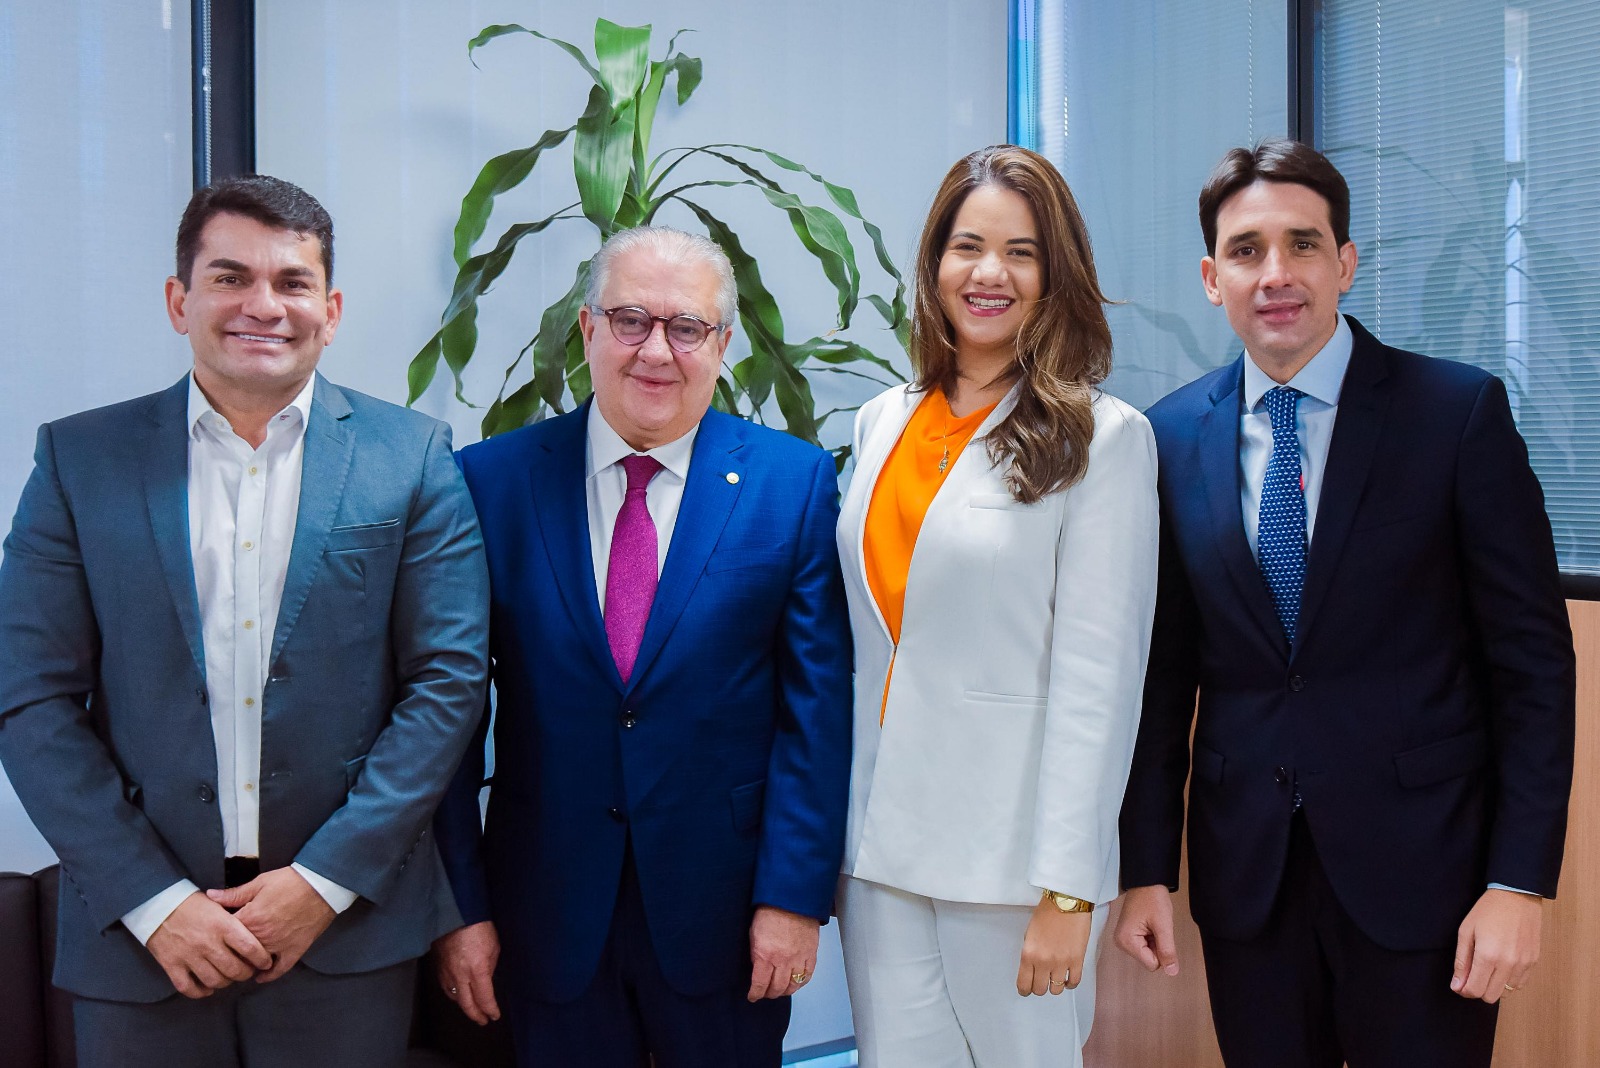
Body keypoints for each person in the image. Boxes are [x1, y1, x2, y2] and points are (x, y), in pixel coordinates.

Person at [0, 175, 490, 1067]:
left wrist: (325, 881)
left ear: (331, 310)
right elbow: (29, 698)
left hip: (341, 935)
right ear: (179, 300)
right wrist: (153, 900)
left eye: (293, 282)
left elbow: (447, 685)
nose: (263, 306)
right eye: (230, 277)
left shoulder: (411, 457)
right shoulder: (79, 460)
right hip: (139, 939)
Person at [1115, 138, 1576, 1068]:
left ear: (1345, 263)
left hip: (1430, 881)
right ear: (1213, 277)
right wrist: (1147, 869)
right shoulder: (1166, 439)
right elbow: (1161, 678)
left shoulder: (1455, 414)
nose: (1275, 273)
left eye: (1303, 244)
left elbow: (1532, 669)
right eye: (1246, 250)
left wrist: (1518, 884)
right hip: (1251, 886)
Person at [429, 226, 853, 1067]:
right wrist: (459, 910)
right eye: (630, 320)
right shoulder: (493, 481)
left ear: (723, 345)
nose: (657, 350)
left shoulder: (792, 483)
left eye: (687, 327)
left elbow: (817, 712)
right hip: (542, 915)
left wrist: (792, 900)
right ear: (587, 330)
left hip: (726, 917)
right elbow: (446, 718)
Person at [833, 144, 1159, 1068]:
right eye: (967, 246)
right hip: (877, 851)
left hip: (1011, 868)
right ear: (933, 264)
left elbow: (1102, 679)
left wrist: (1068, 890)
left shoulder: (1103, 437)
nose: (989, 273)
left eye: (1021, 252)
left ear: (1057, 276)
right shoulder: (884, 418)